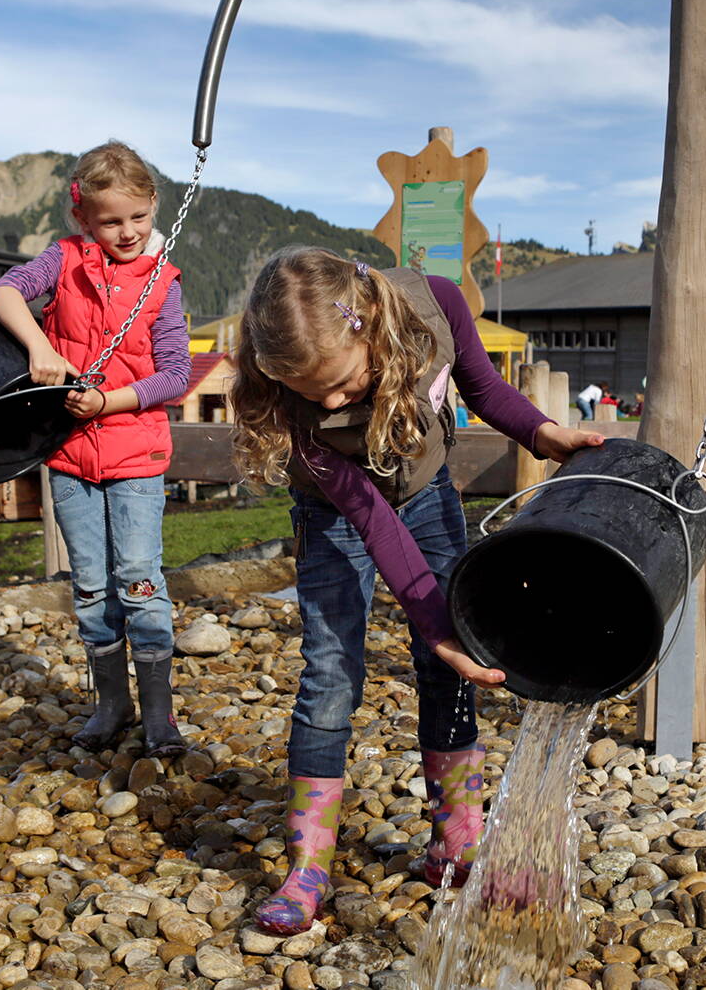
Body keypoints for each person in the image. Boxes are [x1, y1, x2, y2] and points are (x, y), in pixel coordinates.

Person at [229, 247, 604, 935]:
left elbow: (485, 388)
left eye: (342, 384)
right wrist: (432, 620)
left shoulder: (434, 304)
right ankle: (308, 864)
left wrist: (545, 434)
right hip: (336, 515)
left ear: (369, 323)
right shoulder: (293, 399)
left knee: (447, 662)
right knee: (330, 673)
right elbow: (371, 519)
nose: (334, 402)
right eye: (316, 395)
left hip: (428, 494)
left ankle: (455, 841)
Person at [0, 140, 193, 756]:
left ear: (155, 205)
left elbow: (176, 373)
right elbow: (1, 294)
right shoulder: (63, 260)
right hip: (69, 456)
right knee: (89, 584)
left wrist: (113, 401)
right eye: (110, 221)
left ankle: (160, 713)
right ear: (84, 220)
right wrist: (39, 348)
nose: (126, 232)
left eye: (137, 217)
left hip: (135, 455)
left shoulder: (164, 283)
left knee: (138, 577)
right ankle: (111, 704)